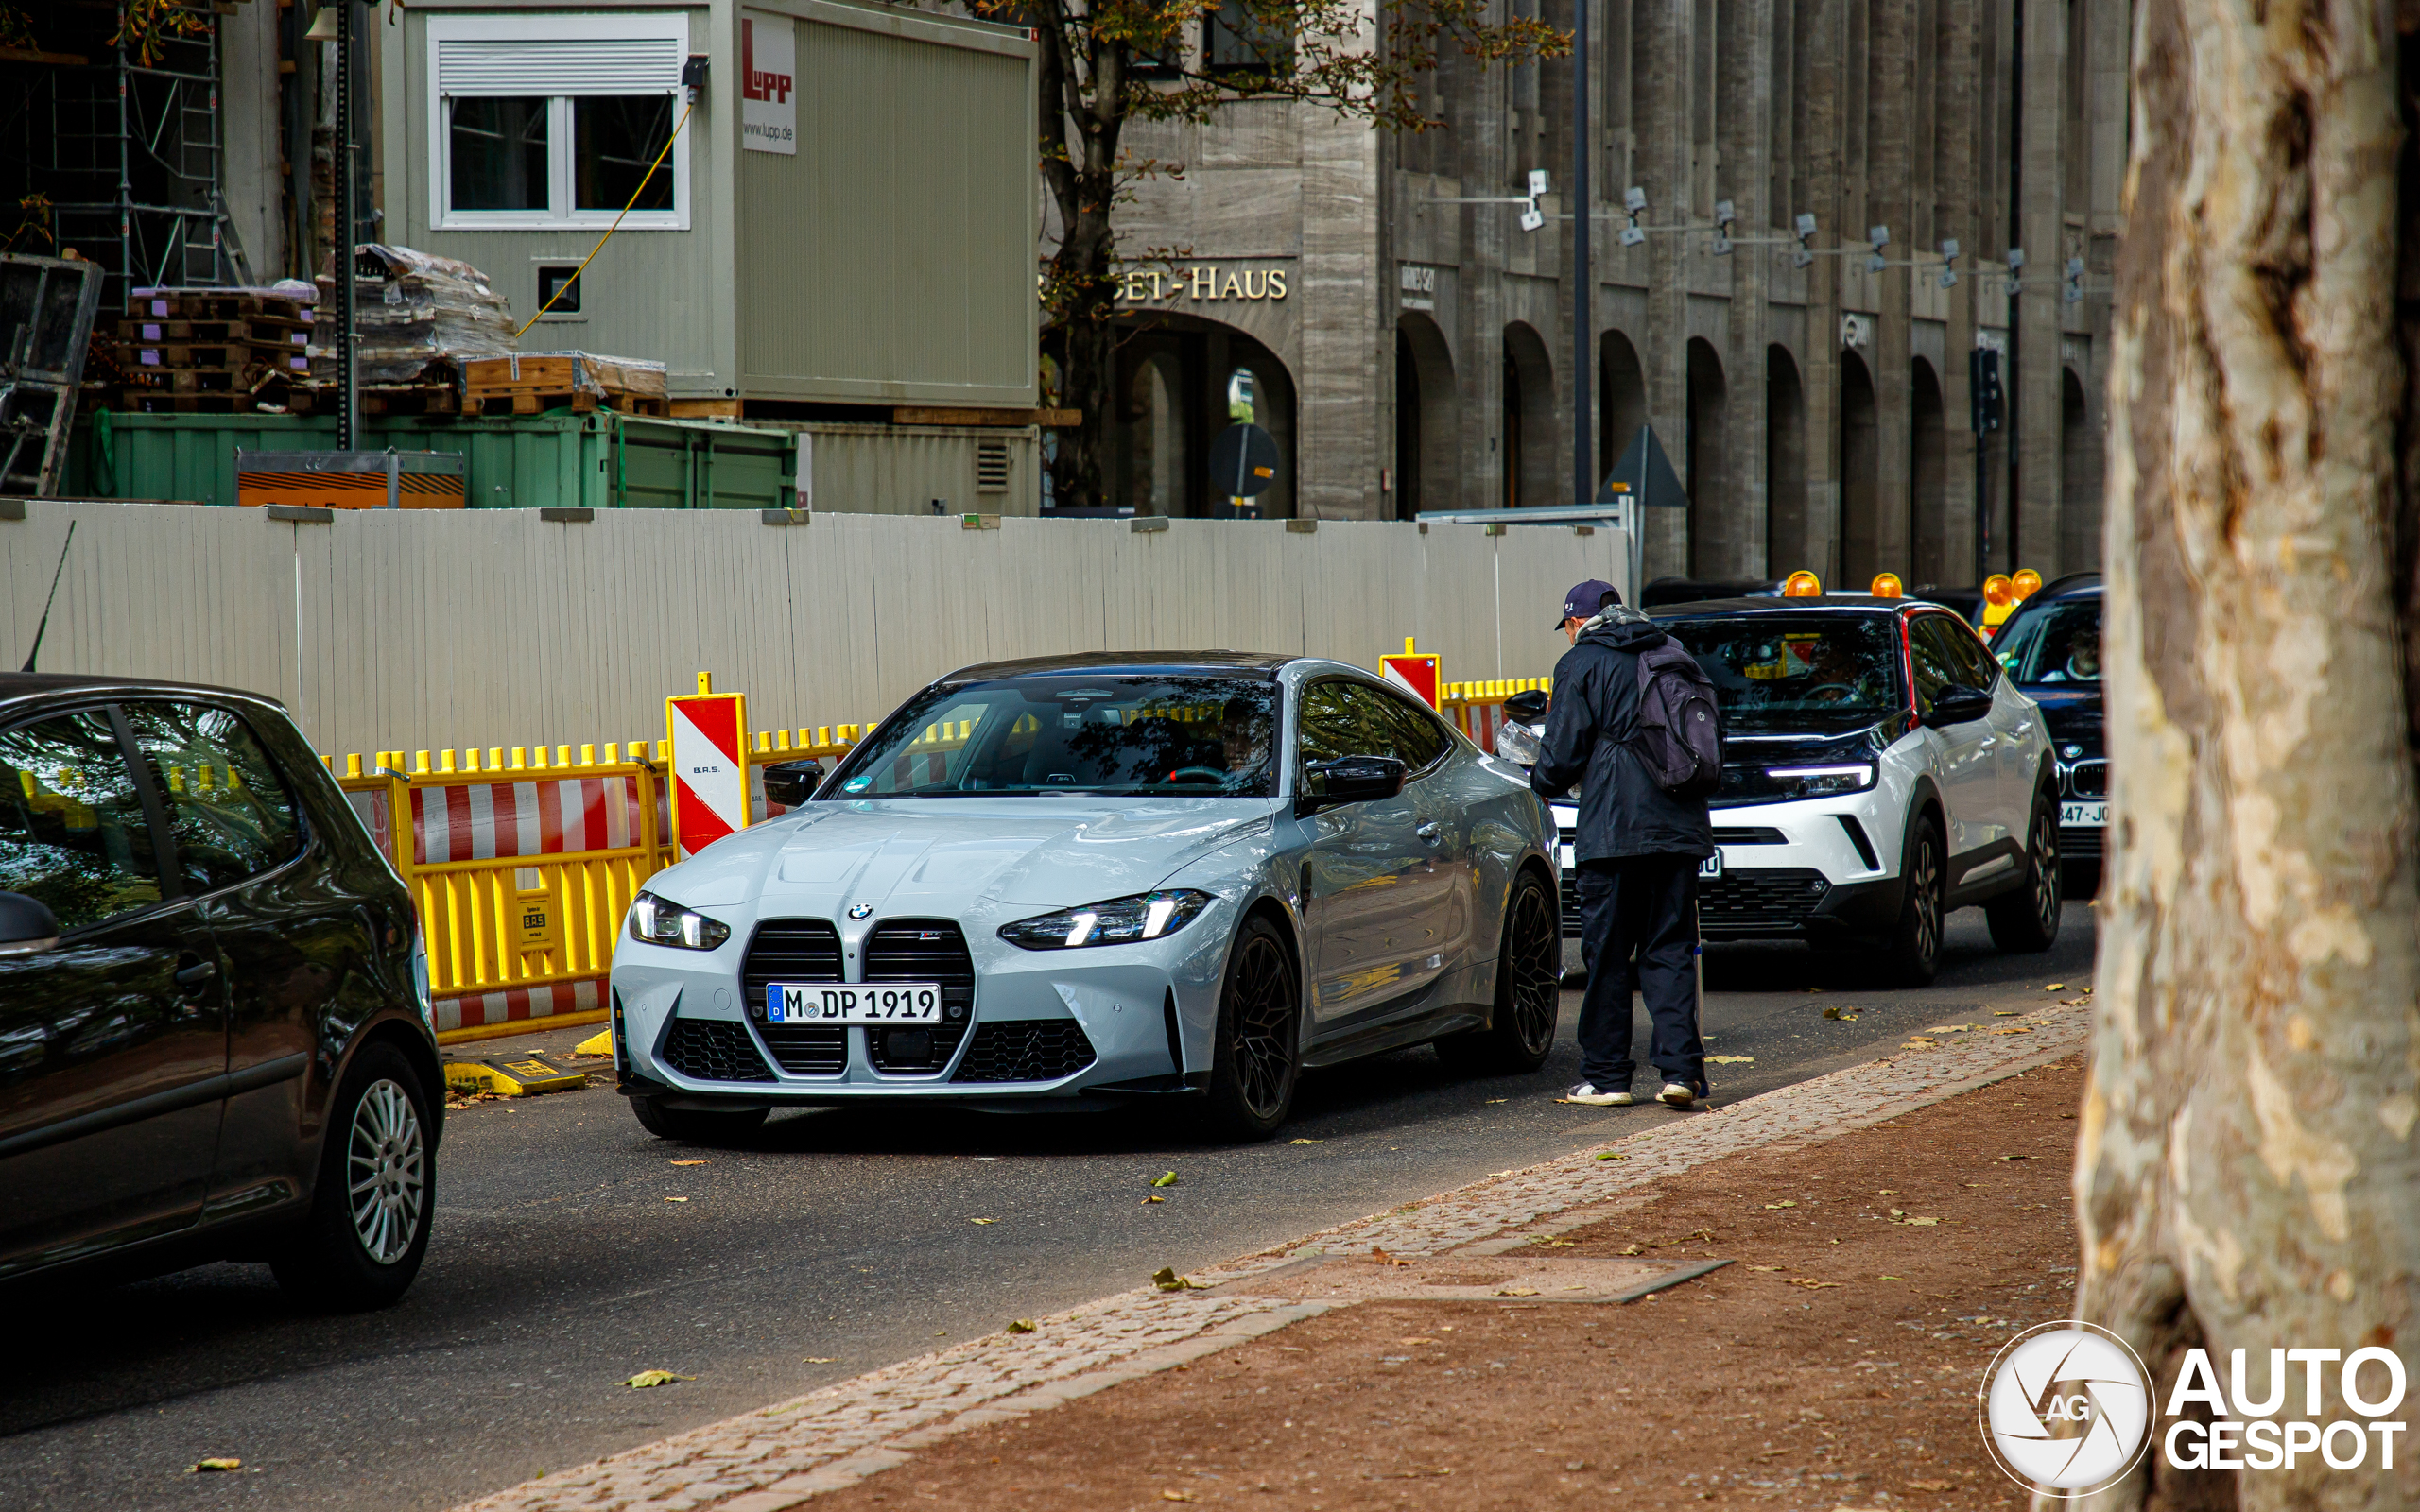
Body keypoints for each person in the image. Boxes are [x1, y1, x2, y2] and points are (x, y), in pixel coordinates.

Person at [1531, 578, 1717, 1108]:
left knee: (1608, 954)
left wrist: (1539, 781)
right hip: (1679, 825)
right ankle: (1681, 1073)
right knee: (1671, 948)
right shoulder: (1673, 651)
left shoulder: (1581, 662)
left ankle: (1608, 1077)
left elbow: (1562, 754)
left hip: (1613, 830)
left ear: (1575, 622)